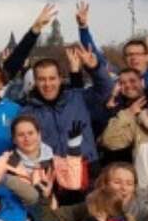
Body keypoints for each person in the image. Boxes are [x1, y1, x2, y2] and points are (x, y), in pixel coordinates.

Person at [21, 45, 114, 195]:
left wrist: (95, 68)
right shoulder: (27, 112)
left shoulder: (78, 97)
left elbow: (107, 90)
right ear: (35, 82)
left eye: (52, 78)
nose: (47, 84)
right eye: (42, 79)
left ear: (60, 79)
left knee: (92, 216)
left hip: (87, 168)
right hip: (52, 174)